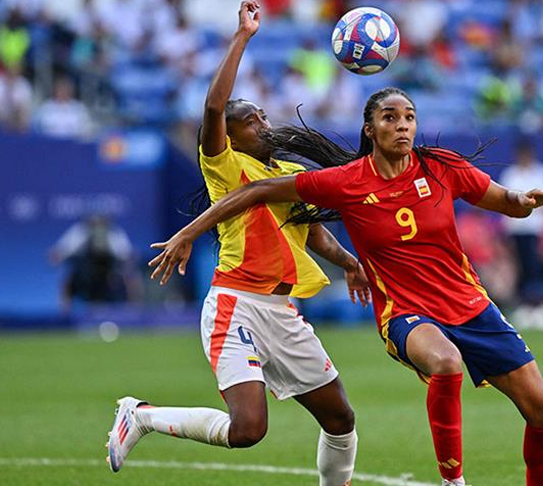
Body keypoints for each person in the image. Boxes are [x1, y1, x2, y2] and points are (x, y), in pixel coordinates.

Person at [148, 83, 543, 485]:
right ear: (370, 129)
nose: (402, 125)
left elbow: (504, 201)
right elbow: (257, 191)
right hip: (406, 312)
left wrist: (525, 201)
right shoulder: (349, 181)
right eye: (390, 117)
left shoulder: (441, 166)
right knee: (444, 361)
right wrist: (187, 233)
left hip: (471, 304)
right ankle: (452, 480)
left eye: (409, 117)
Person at [106, 5, 366, 486]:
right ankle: (140, 415)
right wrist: (243, 37)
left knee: (341, 419)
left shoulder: (288, 175)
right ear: (232, 137)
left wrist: (349, 262)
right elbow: (211, 109)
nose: (264, 125)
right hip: (237, 305)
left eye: (264, 116)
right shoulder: (225, 168)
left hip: (284, 310)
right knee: (249, 430)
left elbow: (310, 231)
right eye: (251, 121)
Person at [499, 139, 543, 301]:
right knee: (519, 269)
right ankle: (523, 302)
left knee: (536, 268)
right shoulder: (510, 175)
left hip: (538, 230)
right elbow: (502, 202)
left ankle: (539, 302)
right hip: (516, 230)